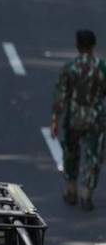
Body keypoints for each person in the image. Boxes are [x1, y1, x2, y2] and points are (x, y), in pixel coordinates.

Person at [50, 29, 106, 211]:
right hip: (97, 118)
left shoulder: (71, 67)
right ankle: (87, 195)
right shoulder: (101, 67)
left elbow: (61, 95)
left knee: (71, 153)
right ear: (93, 45)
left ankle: (71, 191)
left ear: (78, 45)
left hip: (74, 117)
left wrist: (55, 120)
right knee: (93, 156)